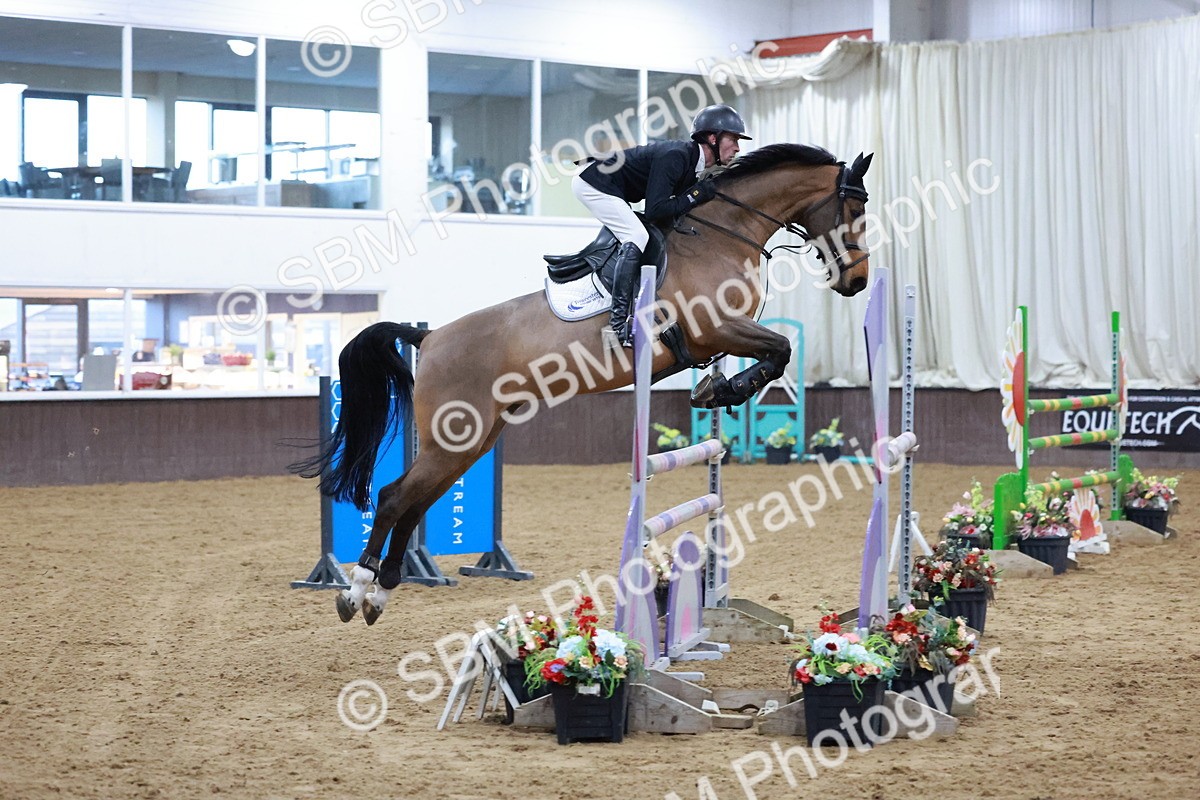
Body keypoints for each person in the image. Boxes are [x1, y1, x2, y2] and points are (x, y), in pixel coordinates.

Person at [571, 104, 752, 347]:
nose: (738, 147)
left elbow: (669, 211)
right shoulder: (677, 156)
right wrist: (695, 195)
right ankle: (616, 326)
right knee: (636, 235)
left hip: (611, 184)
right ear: (712, 138)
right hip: (592, 181)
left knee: (643, 233)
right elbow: (656, 210)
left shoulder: (693, 165)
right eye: (733, 139)